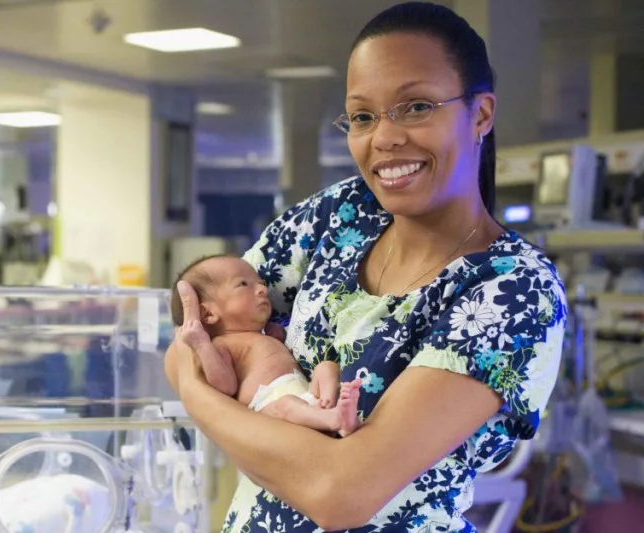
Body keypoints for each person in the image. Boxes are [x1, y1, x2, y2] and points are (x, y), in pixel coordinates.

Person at [164, 3, 568, 532]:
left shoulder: (511, 291)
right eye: (362, 116)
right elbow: (192, 330)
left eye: (416, 106)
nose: (384, 138)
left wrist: (201, 401)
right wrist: (274, 443)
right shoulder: (340, 215)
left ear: (481, 114)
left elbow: (339, 494)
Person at [171, 254, 364, 436]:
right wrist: (202, 345)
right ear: (208, 314)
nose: (263, 289)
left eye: (261, 283)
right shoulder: (222, 344)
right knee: (287, 404)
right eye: (243, 284)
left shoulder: (265, 334)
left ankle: (328, 409)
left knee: (326, 367)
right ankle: (333, 420)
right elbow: (226, 387)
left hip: (304, 396)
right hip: (270, 408)